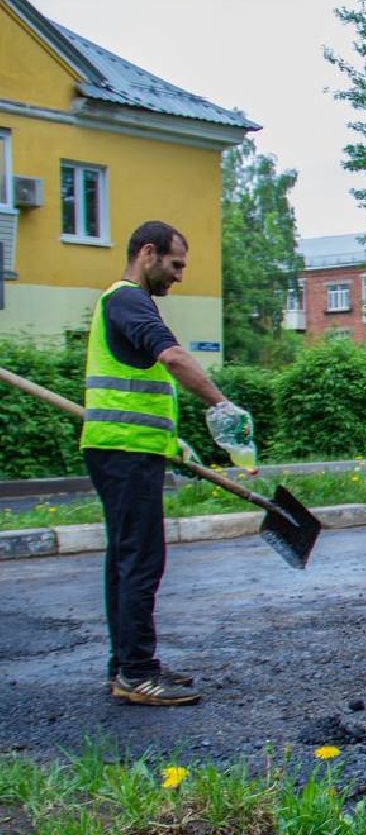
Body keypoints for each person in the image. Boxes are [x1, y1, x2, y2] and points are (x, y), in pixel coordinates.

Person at [83, 220, 255, 708]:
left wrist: (171, 443)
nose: (179, 276)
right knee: (141, 560)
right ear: (148, 253)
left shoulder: (116, 304)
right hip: (125, 452)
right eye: (175, 265)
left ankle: (126, 666)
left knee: (125, 560)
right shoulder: (128, 301)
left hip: (124, 448)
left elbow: (135, 387)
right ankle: (138, 673)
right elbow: (174, 358)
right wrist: (221, 405)